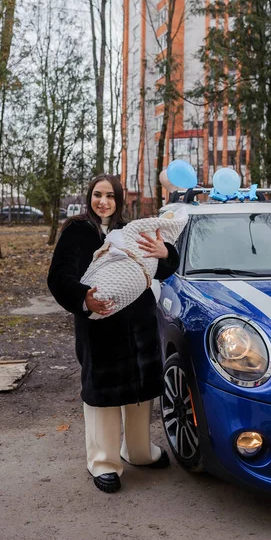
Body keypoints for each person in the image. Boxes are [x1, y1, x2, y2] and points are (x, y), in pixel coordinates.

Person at [47, 173, 180, 494]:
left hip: (140, 324)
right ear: (89, 197)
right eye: (97, 194)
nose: (103, 201)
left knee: (140, 393)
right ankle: (104, 462)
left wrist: (166, 254)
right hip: (100, 326)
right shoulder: (77, 231)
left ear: (119, 201)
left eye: (110, 196)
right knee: (103, 394)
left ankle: (138, 451)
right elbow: (58, 277)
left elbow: (161, 268)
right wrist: (83, 298)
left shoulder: (129, 229)